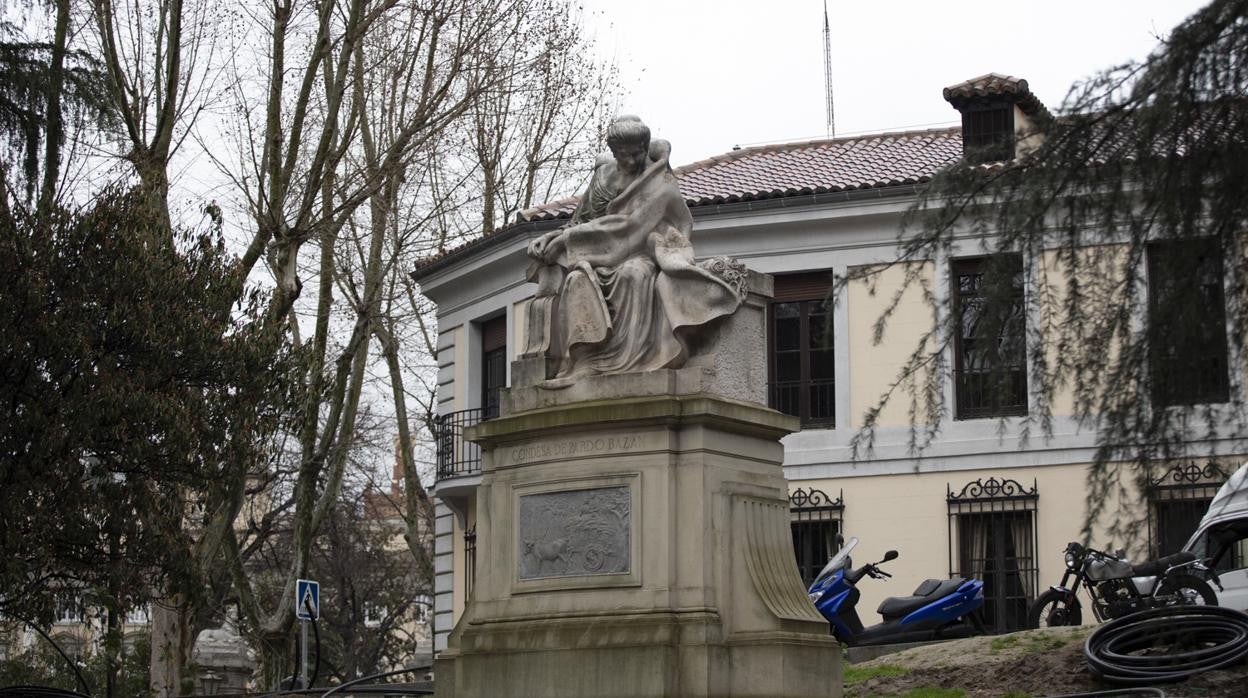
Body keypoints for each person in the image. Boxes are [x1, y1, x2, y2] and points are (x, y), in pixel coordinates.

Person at [526, 115, 747, 380]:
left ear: (645, 148)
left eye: (636, 154)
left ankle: (629, 360)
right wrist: (554, 237)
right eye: (623, 155)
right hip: (597, 255)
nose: (630, 161)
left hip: (643, 250)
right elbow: (580, 221)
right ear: (613, 152)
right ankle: (585, 361)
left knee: (635, 275)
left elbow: (631, 226)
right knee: (575, 279)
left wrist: (567, 240)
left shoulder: (660, 182)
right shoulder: (603, 178)